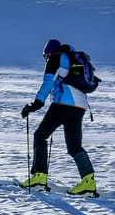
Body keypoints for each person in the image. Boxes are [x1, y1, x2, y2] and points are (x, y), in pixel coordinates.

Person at [22, 38, 98, 196]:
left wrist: (36, 104)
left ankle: (39, 177)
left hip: (63, 104)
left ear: (50, 52)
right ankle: (88, 183)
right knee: (74, 146)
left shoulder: (56, 58)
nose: (46, 59)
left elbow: (48, 82)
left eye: (46, 56)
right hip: (79, 106)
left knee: (40, 135)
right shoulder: (71, 59)